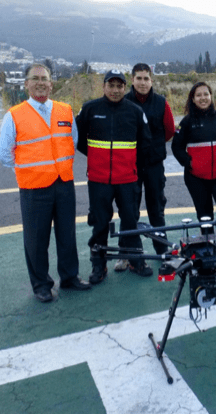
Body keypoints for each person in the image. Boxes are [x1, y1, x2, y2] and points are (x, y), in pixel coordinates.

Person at [0, 63, 90, 302]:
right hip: (33, 188)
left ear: (51, 83)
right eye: (35, 78)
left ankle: (69, 278)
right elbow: (4, 154)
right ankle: (41, 285)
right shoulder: (14, 115)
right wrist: (29, 171)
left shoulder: (65, 110)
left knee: (67, 234)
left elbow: (73, 140)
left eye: (44, 78)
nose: (40, 82)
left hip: (64, 184)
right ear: (26, 83)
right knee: (36, 239)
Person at [76, 70, 153, 284]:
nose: (115, 90)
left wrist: (130, 165)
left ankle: (135, 260)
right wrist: (96, 159)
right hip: (98, 179)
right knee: (100, 222)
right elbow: (79, 140)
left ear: (125, 87)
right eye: (111, 85)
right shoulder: (90, 109)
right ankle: (99, 266)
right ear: (104, 86)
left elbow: (145, 143)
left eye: (120, 86)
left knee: (130, 220)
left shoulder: (135, 112)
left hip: (127, 179)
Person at [112, 63, 175, 271]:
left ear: (152, 80)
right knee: (129, 211)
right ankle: (127, 254)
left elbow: (169, 131)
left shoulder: (161, 103)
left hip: (155, 165)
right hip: (131, 165)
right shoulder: (124, 101)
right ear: (132, 80)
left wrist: (153, 148)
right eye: (138, 78)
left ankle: (163, 251)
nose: (142, 82)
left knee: (156, 209)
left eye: (146, 78)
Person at [171, 82, 216, 246]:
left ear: (211, 96)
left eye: (206, 94)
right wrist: (189, 163)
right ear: (193, 99)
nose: (203, 98)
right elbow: (176, 146)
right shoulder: (187, 122)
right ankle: (209, 247)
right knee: (205, 215)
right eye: (198, 95)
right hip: (196, 178)